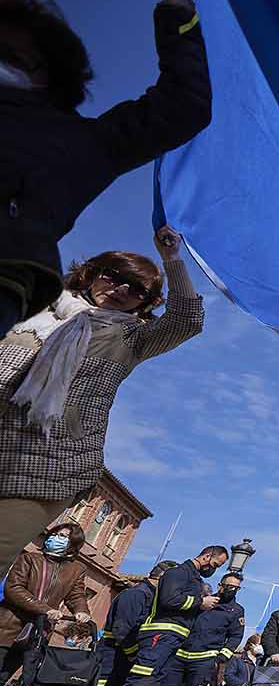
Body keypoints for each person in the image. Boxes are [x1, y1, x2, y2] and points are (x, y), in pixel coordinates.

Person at [0, 0, 210, 338]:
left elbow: (182, 106)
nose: (122, 289)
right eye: (114, 276)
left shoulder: (79, 142)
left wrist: (177, 16)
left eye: (13, 58)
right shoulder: (46, 315)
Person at [1, 225, 204, 584]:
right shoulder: (30, 305)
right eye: (115, 276)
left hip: (51, 466)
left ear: (144, 302)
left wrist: (171, 259)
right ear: (92, 273)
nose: (122, 289)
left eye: (137, 288)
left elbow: (187, 320)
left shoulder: (131, 338)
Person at [94, 545, 227, 686]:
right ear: (207, 556)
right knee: (139, 681)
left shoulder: (193, 579)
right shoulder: (178, 572)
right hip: (161, 635)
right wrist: (199, 602)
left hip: (174, 638)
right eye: (216, 564)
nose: (214, 568)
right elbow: (169, 599)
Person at [0, 521, 91, 685]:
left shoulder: (76, 569)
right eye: (54, 534)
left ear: (73, 543)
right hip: (7, 626)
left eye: (62, 536)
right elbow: (13, 588)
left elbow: (76, 594)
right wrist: (45, 609)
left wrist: (81, 610)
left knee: (3, 677)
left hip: (38, 632)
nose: (55, 538)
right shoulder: (30, 559)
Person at [163, 572, 245, 686]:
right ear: (220, 585)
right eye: (229, 586)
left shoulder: (236, 611)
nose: (231, 590)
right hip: (180, 655)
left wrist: (223, 655)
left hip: (205, 658)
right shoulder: (206, 602)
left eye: (236, 588)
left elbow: (236, 636)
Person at [95, 561, 177, 686]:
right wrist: (133, 654)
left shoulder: (153, 598)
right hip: (113, 654)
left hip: (126, 656)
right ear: (163, 578)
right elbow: (122, 629)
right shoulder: (137, 594)